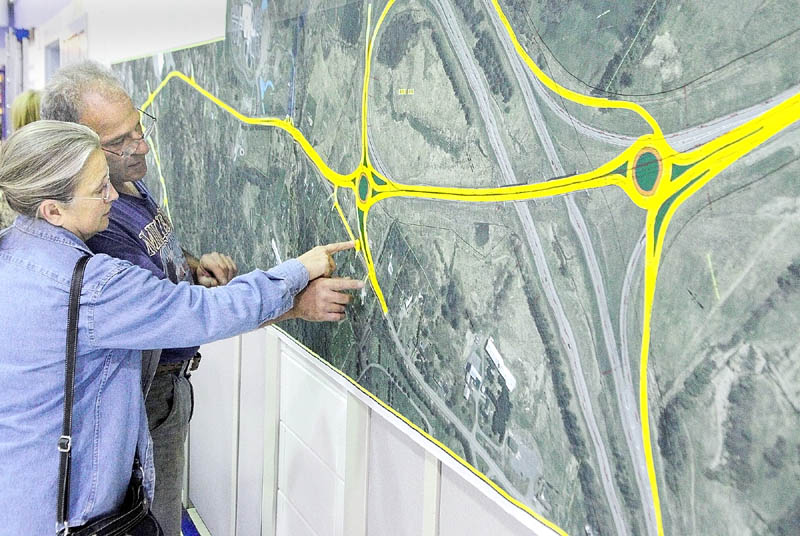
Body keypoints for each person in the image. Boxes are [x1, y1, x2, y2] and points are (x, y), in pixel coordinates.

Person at [41, 61, 363, 534]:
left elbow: (153, 260)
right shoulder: (97, 228)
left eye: (138, 127)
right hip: (145, 400)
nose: (142, 146)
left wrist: (187, 266)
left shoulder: (122, 181)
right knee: (152, 522)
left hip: (170, 390)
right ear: (75, 149)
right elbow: (183, 319)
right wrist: (294, 297)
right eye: (120, 142)